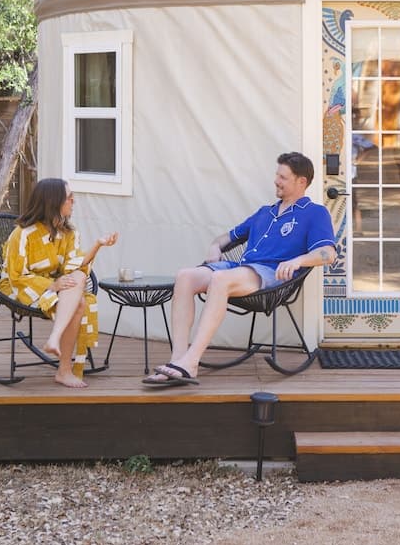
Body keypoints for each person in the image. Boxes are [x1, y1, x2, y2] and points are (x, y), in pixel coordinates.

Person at [143, 152, 336, 387]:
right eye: (277, 175)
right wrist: (215, 246)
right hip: (240, 268)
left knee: (221, 279)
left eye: (283, 177)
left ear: (301, 182)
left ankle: (191, 362)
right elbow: (226, 238)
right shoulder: (265, 212)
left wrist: (298, 261)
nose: (276, 180)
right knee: (185, 276)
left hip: (270, 275)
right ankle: (177, 360)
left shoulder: (314, 213)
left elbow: (328, 253)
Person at [0, 178, 118, 389]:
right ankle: (63, 370)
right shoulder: (22, 234)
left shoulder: (68, 233)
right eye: (69, 198)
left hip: (54, 284)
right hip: (23, 287)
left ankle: (54, 340)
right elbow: (16, 275)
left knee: (80, 277)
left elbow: (73, 266)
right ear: (53, 202)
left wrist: (98, 245)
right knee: (79, 304)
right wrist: (51, 286)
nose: (74, 201)